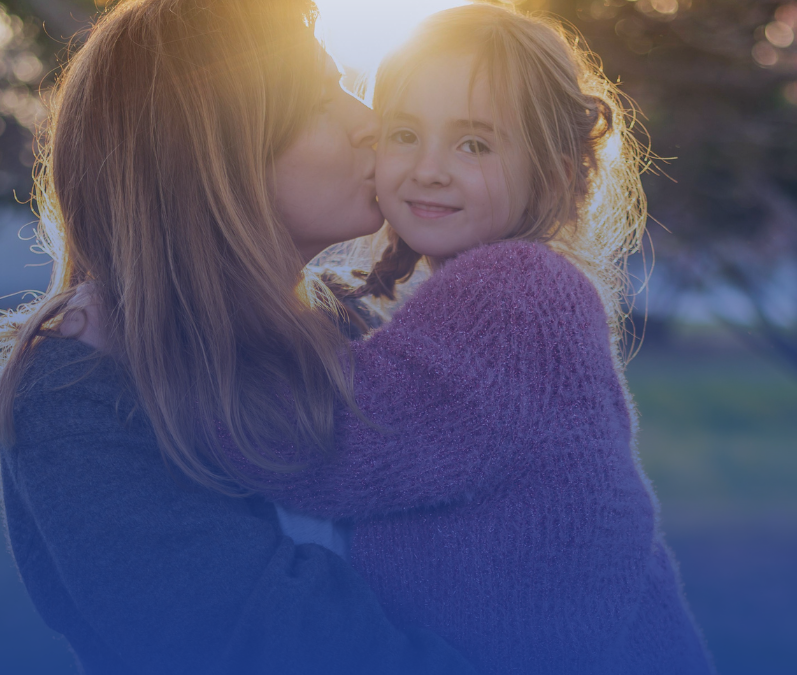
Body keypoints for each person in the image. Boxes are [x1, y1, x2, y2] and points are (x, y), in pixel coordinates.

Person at [0, 1, 485, 673]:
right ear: (212, 152)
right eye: (320, 100)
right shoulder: (80, 389)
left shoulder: (349, 326)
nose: (368, 122)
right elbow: (258, 642)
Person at [207, 5, 716, 674]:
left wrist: (176, 338)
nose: (430, 168)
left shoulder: (514, 295)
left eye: (473, 143)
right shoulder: (505, 293)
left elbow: (324, 448)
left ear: (557, 171)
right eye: (405, 133)